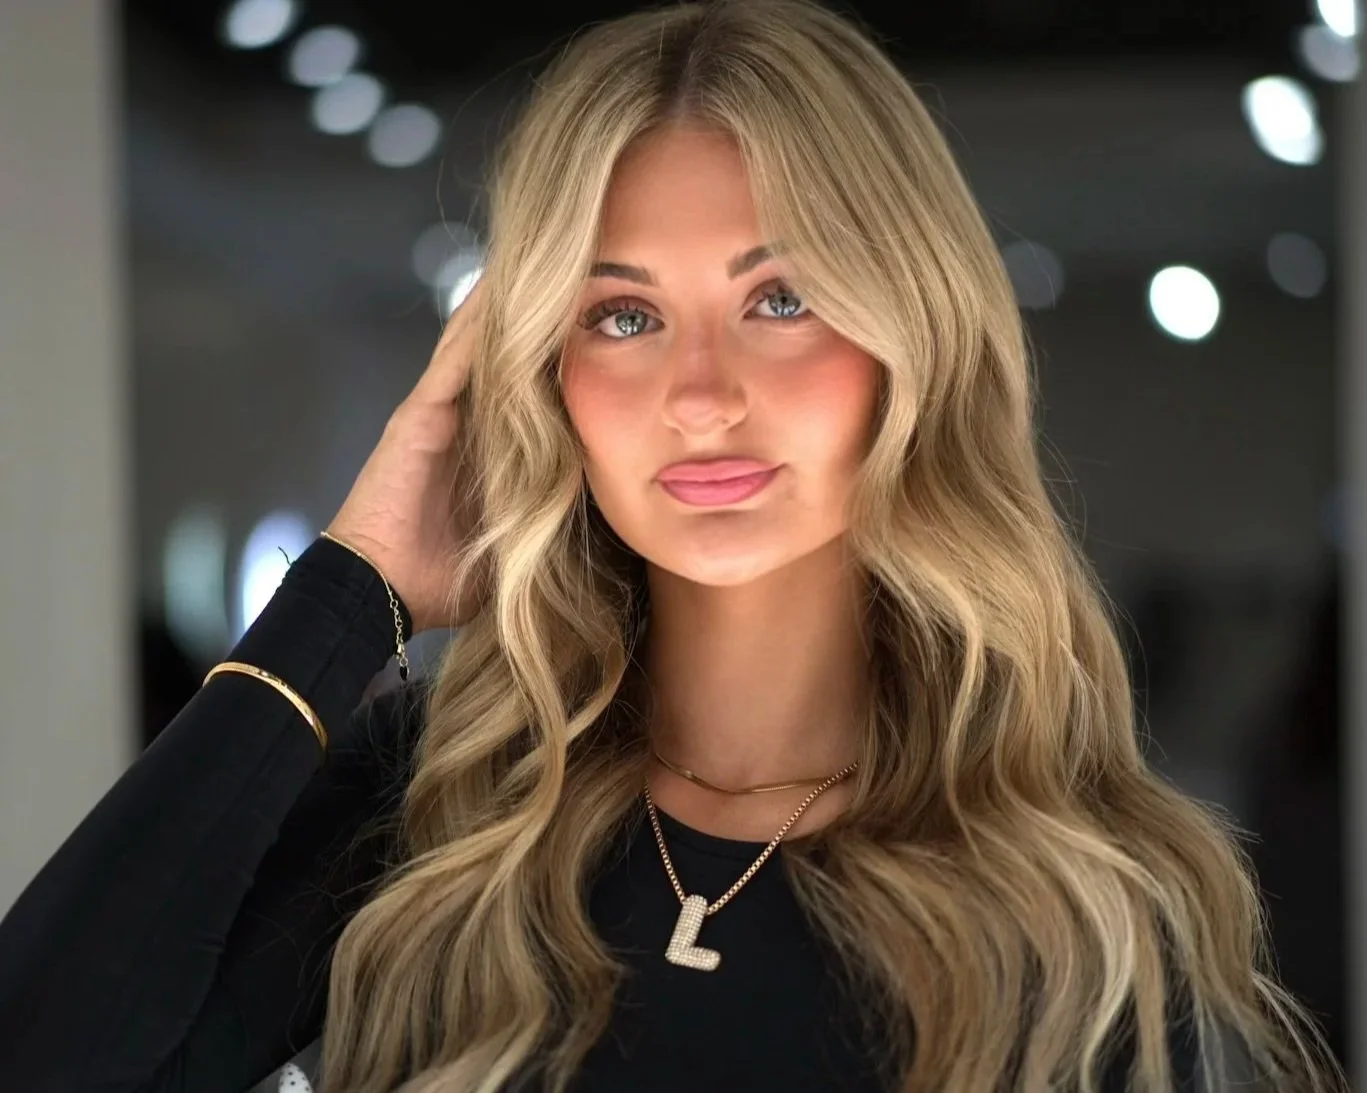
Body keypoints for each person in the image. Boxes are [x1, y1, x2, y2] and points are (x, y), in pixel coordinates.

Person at [0, 2, 1346, 1091]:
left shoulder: (1078, 909)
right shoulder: (433, 817)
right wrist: (347, 595)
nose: (700, 394)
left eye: (780, 297)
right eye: (623, 316)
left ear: (909, 343)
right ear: (540, 373)